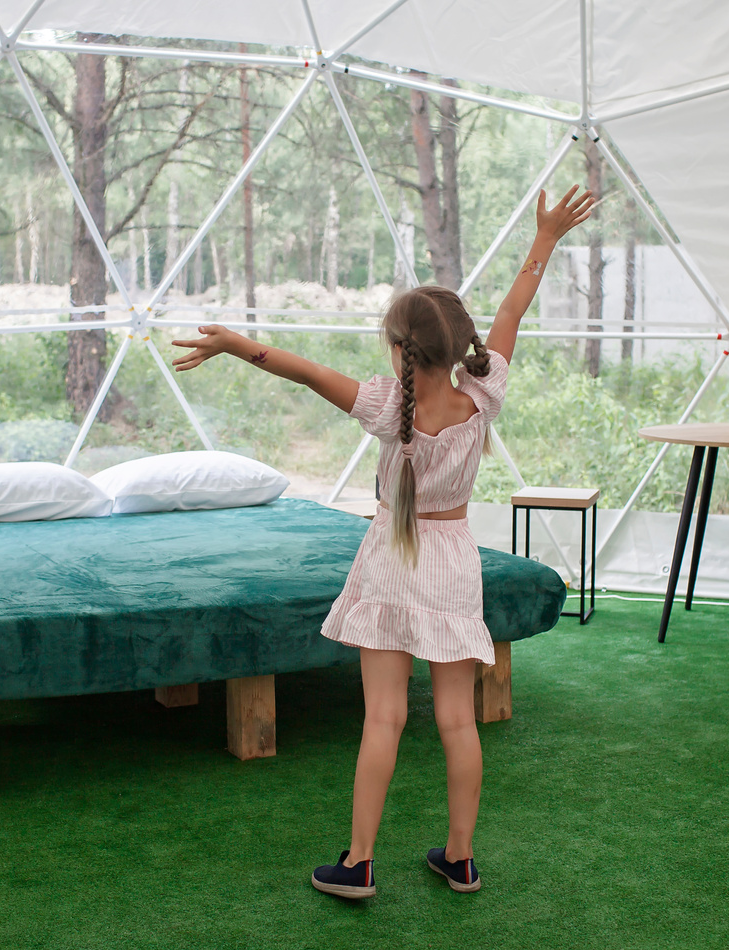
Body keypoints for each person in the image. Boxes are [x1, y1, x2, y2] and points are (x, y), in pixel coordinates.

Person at [171, 184, 595, 899]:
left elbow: (297, 369)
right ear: (459, 346)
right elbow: (515, 310)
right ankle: (459, 858)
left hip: (392, 560)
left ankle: (358, 861)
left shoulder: (380, 404)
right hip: (453, 562)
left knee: (384, 718)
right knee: (458, 721)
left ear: (400, 351)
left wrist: (234, 344)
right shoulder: (481, 397)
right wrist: (544, 238)